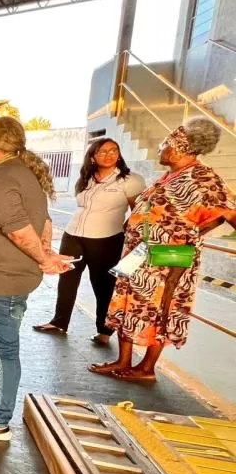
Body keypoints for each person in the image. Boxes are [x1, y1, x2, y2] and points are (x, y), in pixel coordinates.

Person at [0, 117, 73, 442]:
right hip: (4, 279)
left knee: (3, 349)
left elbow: (18, 228)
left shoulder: (1, 178)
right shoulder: (23, 173)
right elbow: (44, 222)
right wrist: (46, 251)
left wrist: (43, 258)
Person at [91, 119, 236, 382]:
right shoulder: (170, 175)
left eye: (164, 144)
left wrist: (196, 231)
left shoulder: (203, 177)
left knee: (159, 309)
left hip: (167, 260)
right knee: (127, 303)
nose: (160, 149)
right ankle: (123, 360)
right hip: (138, 255)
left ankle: (146, 369)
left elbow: (230, 211)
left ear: (179, 149)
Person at [32, 139, 145, 344]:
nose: (108, 154)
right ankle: (59, 322)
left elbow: (138, 213)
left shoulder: (130, 180)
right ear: (93, 156)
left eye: (113, 151)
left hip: (106, 238)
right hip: (73, 234)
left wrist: (125, 230)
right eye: (102, 151)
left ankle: (104, 330)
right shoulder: (87, 178)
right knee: (66, 279)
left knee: (102, 284)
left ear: (119, 154)